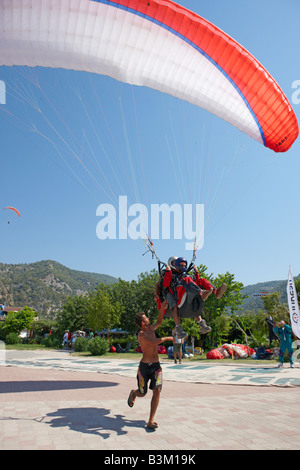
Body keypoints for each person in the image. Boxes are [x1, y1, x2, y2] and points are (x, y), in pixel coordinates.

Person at [127, 300, 174, 430]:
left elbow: (159, 321)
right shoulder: (141, 334)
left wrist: (162, 309)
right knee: (143, 393)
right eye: (146, 318)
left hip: (156, 367)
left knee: (157, 391)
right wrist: (169, 338)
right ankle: (134, 393)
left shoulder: (151, 328)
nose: (148, 319)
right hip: (144, 368)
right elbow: (154, 342)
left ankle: (150, 420)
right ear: (143, 323)